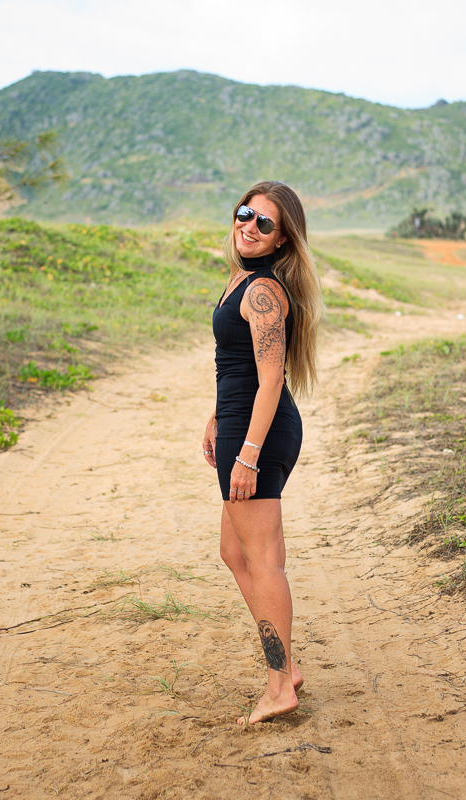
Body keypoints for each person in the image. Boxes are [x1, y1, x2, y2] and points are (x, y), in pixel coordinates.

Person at [201, 181, 323, 726]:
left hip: (261, 433)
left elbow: (270, 380)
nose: (248, 226)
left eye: (264, 223)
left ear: (281, 240)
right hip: (240, 426)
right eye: (244, 214)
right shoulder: (240, 279)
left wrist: (248, 453)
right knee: (235, 552)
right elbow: (235, 365)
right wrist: (216, 417)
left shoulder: (265, 293)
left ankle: (279, 685)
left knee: (264, 559)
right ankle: (286, 666)